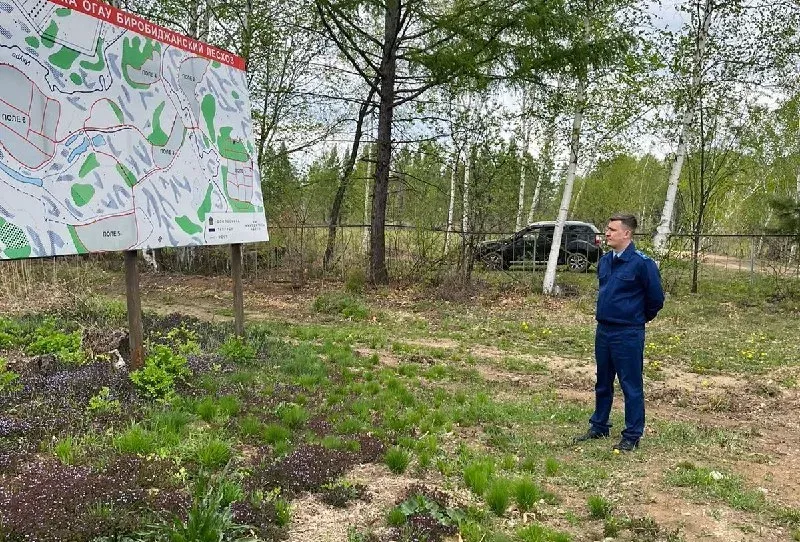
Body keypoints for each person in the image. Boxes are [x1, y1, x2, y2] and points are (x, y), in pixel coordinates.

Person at [573, 214, 664, 452]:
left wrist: (636, 318)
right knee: (603, 381)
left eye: (612, 229)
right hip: (604, 330)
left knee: (630, 384)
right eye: (607, 228)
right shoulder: (605, 261)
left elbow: (656, 299)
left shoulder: (643, 264)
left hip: (628, 333)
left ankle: (632, 434)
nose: (607, 233)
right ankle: (599, 425)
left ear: (627, 234)